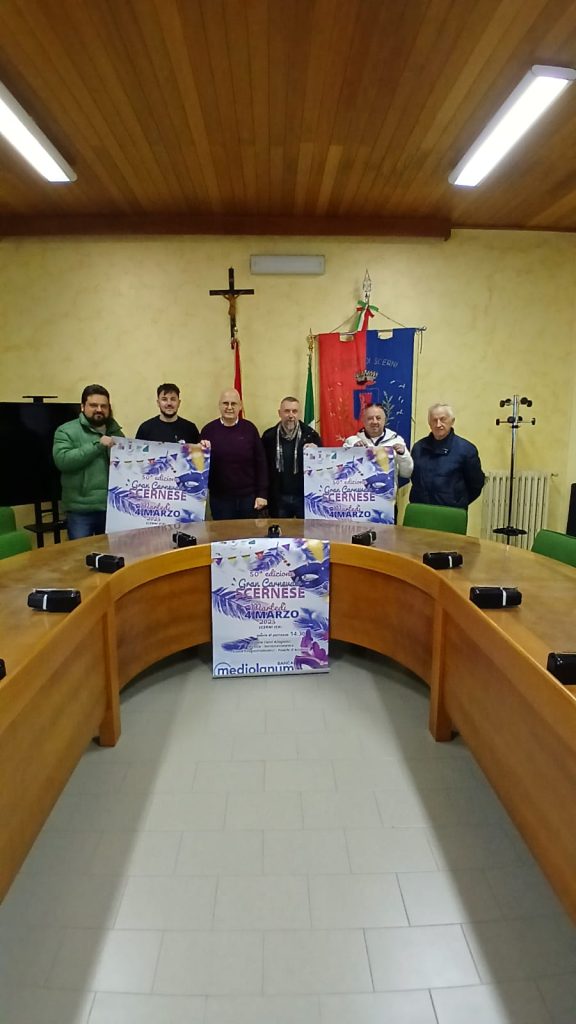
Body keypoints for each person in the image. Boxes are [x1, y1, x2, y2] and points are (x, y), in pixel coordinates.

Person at [53, 384, 124, 540]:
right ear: (82, 407)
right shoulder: (66, 431)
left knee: (110, 551)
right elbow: (63, 461)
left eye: (103, 406)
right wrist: (98, 445)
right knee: (80, 553)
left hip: (111, 507)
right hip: (81, 510)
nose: (99, 409)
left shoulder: (116, 432)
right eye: (93, 405)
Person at [200, 388, 268, 520]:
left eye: (233, 403)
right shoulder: (208, 430)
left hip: (248, 499)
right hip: (220, 500)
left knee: (247, 533)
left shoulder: (250, 429)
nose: (229, 407)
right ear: (219, 405)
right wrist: (202, 450)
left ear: (240, 406)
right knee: (222, 533)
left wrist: (262, 494)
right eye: (225, 403)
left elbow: (261, 463)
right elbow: (199, 466)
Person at [410, 402, 485, 508]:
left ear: (452, 421)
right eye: (434, 420)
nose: (438, 424)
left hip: (451, 512)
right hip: (420, 509)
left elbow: (476, 485)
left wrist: (458, 501)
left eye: (443, 419)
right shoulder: (418, 448)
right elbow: (414, 478)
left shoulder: (467, 450)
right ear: (429, 423)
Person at [261, 396, 321, 518]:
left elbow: (322, 466)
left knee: (304, 529)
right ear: (279, 413)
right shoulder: (269, 437)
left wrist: (317, 452)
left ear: (299, 414)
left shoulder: (311, 436)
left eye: (294, 411)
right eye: (287, 411)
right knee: (281, 530)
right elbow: (262, 468)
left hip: (303, 497)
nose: (291, 415)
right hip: (278, 497)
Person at [343, 403, 414, 481]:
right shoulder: (353, 442)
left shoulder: (396, 441)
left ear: (384, 420)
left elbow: (406, 474)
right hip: (360, 488)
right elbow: (341, 470)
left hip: (388, 487)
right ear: (363, 420)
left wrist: (403, 455)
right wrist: (352, 449)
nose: (374, 422)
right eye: (370, 418)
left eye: (378, 418)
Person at [135, 383, 200, 444]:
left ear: (179, 403)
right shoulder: (145, 429)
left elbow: (198, 451)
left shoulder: (190, 429)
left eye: (173, 399)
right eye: (164, 399)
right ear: (158, 403)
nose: (169, 403)